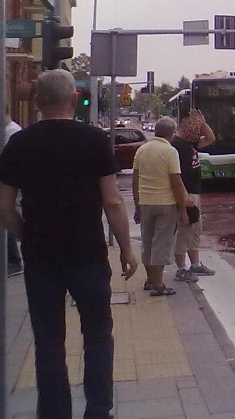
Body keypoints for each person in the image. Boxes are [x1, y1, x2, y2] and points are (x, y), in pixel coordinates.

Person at [0, 69, 138, 419]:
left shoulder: (19, 144)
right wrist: (125, 248)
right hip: (88, 255)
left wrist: (25, 235)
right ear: (74, 99)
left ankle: (54, 412)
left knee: (47, 341)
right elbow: (113, 201)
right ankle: (98, 410)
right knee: (97, 335)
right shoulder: (93, 141)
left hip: (41, 258)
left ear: (37, 102)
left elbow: (3, 205)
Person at [133, 116, 190, 296]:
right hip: (166, 204)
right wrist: (183, 210)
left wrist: (137, 206)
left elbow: (135, 181)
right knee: (161, 244)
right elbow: (176, 183)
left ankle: (150, 280)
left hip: (146, 203)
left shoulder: (141, 150)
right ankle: (158, 285)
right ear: (171, 133)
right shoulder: (170, 151)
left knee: (147, 243)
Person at [172, 109, 217, 283]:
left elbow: (211, 138)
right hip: (187, 194)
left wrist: (203, 122)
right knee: (185, 231)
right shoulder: (178, 146)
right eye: (196, 128)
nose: (199, 132)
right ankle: (181, 268)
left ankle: (195, 264)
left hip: (194, 193)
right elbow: (176, 176)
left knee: (195, 231)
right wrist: (183, 200)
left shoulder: (190, 143)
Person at [4, 112, 23, 277]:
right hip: (8, 182)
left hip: (9, 183)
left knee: (6, 213)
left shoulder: (12, 132)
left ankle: (13, 260)